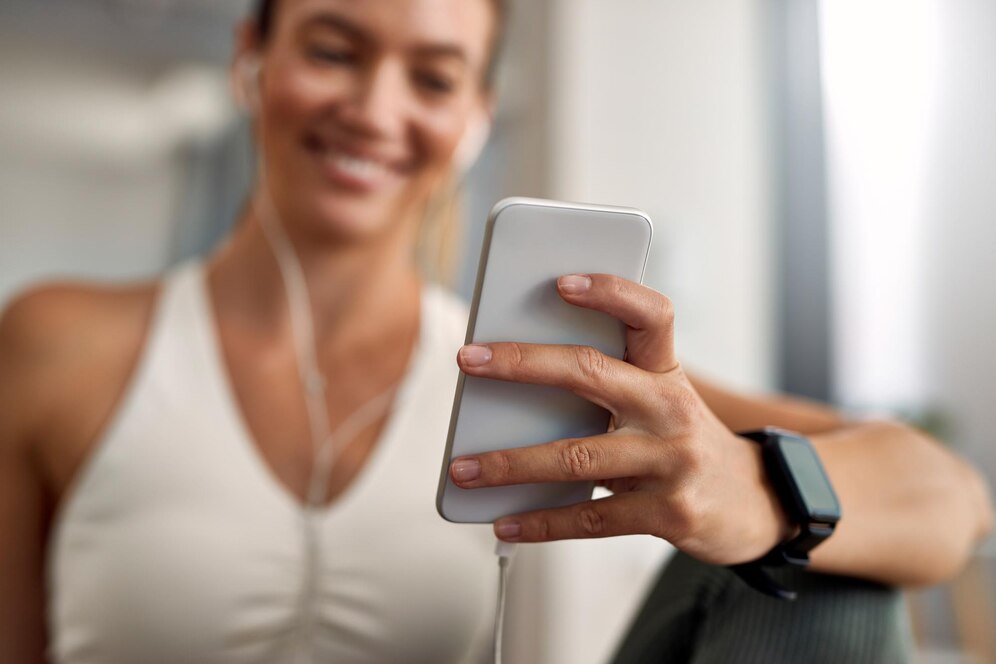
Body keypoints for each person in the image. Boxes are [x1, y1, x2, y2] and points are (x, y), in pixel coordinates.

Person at [0, 1, 991, 663]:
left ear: (475, 115)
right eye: (334, 50)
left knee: (818, 566)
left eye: (433, 78)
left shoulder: (537, 372)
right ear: (250, 60)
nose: (375, 107)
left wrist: (757, 494)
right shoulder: (62, 342)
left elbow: (952, 498)